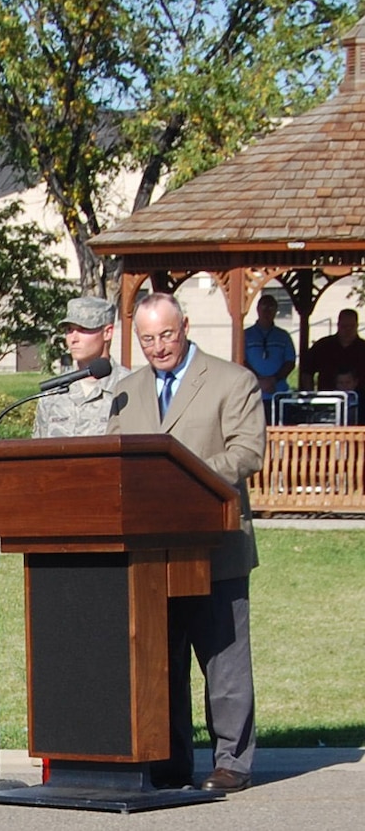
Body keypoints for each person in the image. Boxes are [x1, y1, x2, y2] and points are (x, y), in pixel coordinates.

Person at [107, 293, 265, 793]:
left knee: (224, 663)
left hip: (215, 547)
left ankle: (232, 763)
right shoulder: (127, 391)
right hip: (152, 556)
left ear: (186, 327)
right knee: (162, 663)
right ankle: (170, 761)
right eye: (148, 339)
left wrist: (186, 477)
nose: (158, 347)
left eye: (167, 335)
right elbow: (113, 458)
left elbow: (247, 451)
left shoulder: (231, 381)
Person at [33, 296, 131, 438]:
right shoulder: (53, 394)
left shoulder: (129, 388)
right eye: (69, 330)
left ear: (107, 332)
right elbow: (37, 452)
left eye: (83, 329)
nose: (73, 339)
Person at [241, 294, 295, 410]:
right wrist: (258, 381)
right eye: (264, 308)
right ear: (257, 309)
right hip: (252, 394)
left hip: (279, 393)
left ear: (276, 311)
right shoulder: (246, 335)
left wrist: (273, 380)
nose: (267, 312)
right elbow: (241, 360)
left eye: (271, 308)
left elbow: (290, 361)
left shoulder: (283, 336)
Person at [306, 308, 365, 392]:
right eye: (344, 326)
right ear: (338, 325)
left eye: (351, 326)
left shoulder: (363, 347)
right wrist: (310, 395)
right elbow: (307, 372)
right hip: (327, 400)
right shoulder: (322, 346)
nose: (348, 330)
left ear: (357, 325)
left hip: (361, 401)